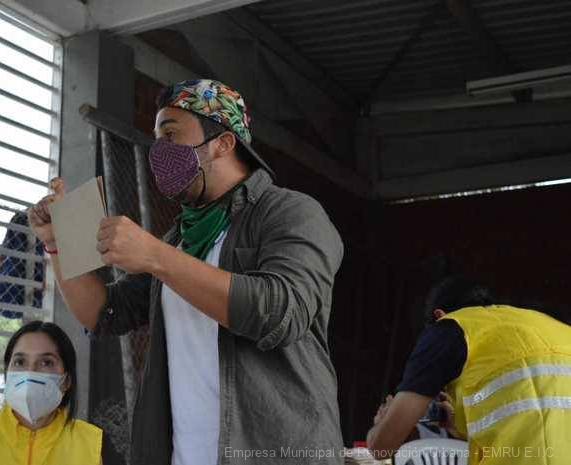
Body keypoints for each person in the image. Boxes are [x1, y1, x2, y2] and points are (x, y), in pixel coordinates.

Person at [28, 79, 345, 464]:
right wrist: (57, 242)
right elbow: (104, 311)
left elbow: (281, 311)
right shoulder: (181, 238)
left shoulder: (290, 213)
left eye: (171, 135)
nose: (159, 151)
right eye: (156, 139)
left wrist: (155, 255)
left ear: (222, 143)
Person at [367, 276, 571, 464]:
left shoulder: (449, 327)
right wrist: (456, 427)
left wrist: (382, 423)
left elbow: (381, 449)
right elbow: (538, 417)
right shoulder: (553, 325)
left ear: (439, 315)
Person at [0, 321, 103, 465]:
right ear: (7, 374)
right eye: (20, 362)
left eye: (46, 362)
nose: (30, 372)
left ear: (66, 381)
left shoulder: (89, 445)